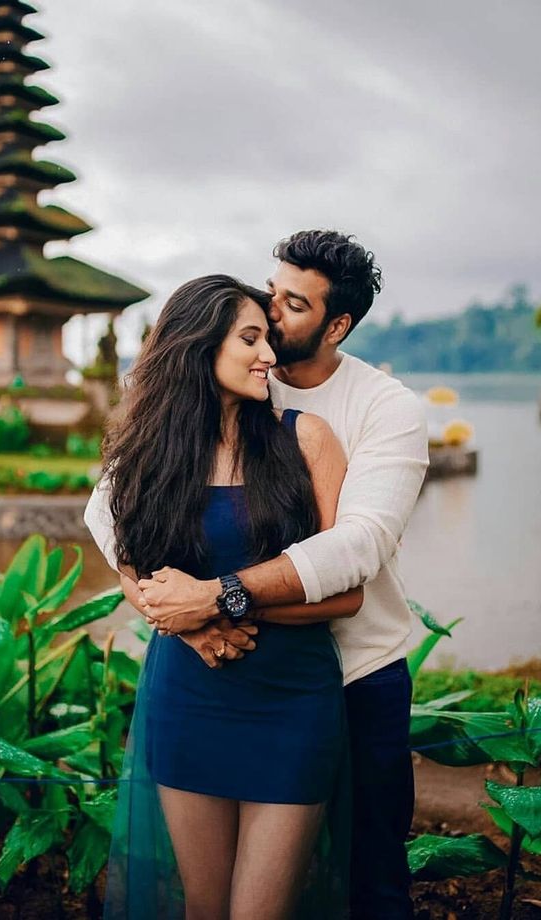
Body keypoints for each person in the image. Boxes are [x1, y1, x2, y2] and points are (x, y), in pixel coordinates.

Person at [86, 230, 429, 919]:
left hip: (348, 674)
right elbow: (110, 518)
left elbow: (357, 549)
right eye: (269, 297)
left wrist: (215, 601)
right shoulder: (192, 425)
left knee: (369, 877)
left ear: (337, 325)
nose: (272, 320)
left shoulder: (379, 410)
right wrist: (181, 622)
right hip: (205, 677)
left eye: (292, 306)